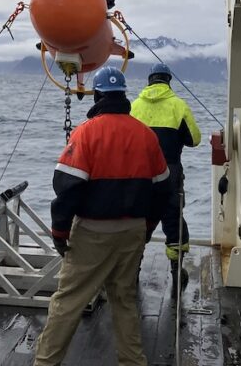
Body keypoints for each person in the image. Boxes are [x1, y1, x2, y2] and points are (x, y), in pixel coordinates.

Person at [34, 66, 170, 366]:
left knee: (68, 301)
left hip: (93, 234)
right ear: (124, 95)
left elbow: (67, 188)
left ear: (97, 95)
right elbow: (163, 190)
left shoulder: (86, 133)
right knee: (124, 301)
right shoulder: (146, 135)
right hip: (132, 231)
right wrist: (146, 228)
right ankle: (133, 362)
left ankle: (45, 363)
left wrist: (59, 232)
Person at [130, 61, 200, 290]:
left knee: (140, 221)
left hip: (141, 174)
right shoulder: (178, 106)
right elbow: (194, 139)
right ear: (168, 81)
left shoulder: (135, 106)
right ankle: (176, 269)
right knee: (173, 218)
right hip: (170, 172)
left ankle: (134, 269)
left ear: (149, 81)